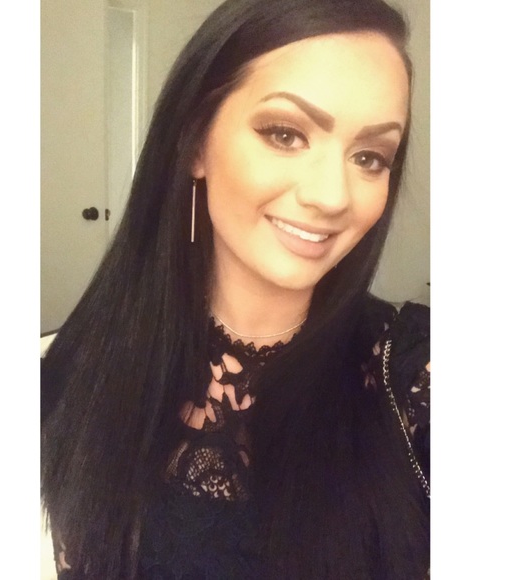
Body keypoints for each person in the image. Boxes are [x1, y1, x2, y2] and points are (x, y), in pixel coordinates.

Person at [41, 0, 430, 578]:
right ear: (195, 142)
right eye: (285, 134)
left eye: (370, 157)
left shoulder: (413, 372)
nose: (332, 196)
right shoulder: (80, 368)